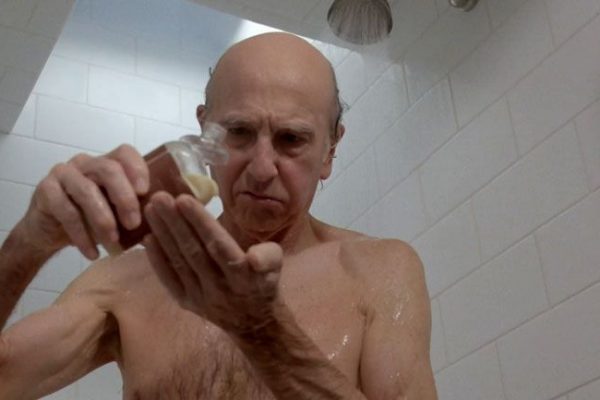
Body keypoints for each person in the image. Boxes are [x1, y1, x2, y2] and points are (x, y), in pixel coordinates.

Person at [0, 32, 437, 399]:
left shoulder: (377, 272)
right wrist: (28, 243)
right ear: (204, 128)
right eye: (239, 132)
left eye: (291, 139)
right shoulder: (127, 282)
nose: (262, 169)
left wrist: (265, 334)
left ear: (330, 151)